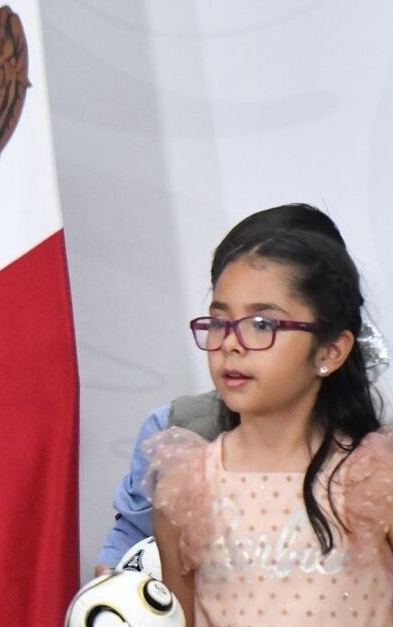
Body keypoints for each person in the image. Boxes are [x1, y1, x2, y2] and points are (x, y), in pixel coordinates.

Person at [94, 204, 390, 576]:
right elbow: (135, 558)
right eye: (221, 321)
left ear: (330, 347)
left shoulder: (375, 472)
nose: (233, 343)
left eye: (262, 324)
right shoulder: (177, 447)